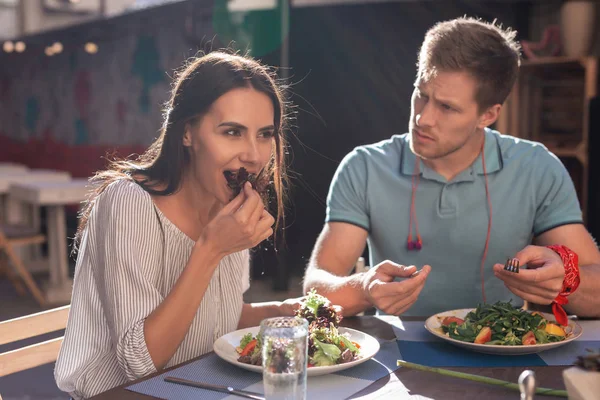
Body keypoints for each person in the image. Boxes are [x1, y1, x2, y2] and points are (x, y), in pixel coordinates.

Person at [302, 17, 600, 320]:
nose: (423, 119)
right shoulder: (364, 167)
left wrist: (567, 280)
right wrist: (364, 288)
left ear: (488, 114)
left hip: (499, 350)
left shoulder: (536, 168)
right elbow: (315, 288)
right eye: (422, 94)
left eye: (447, 107)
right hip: (395, 352)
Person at [55, 51, 301, 399]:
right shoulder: (128, 202)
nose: (254, 155)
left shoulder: (228, 204)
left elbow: (216, 316)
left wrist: (290, 312)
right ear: (187, 133)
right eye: (232, 132)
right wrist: (212, 249)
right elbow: (140, 363)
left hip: (199, 389)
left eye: (265, 134)